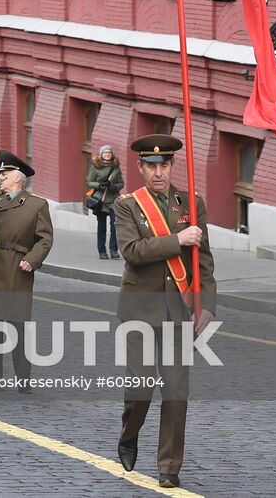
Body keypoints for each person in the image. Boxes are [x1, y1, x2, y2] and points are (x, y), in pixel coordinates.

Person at [114, 135, 217, 490]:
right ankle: (129, 434)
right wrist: (179, 240)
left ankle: (169, 466)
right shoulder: (127, 205)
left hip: (177, 312)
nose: (158, 172)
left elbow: (203, 263)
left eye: (164, 165)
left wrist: (207, 307)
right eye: (151, 166)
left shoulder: (191, 204)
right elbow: (132, 251)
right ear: (141, 168)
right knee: (141, 388)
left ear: (172, 166)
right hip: (139, 310)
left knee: (176, 392)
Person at [0, 150, 54, 389]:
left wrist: (32, 259)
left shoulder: (36, 205)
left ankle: (23, 379)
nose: (0, 178)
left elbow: (45, 239)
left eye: (4, 174)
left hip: (17, 269)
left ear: (18, 177)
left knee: (18, 326)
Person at [87, 145, 124, 260]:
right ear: (101, 154)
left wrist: (113, 186)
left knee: (114, 225)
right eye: (105, 152)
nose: (107, 154)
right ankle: (102, 251)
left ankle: (114, 250)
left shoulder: (116, 167)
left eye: (109, 152)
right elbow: (90, 182)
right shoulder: (96, 166)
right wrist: (99, 185)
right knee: (101, 227)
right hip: (101, 201)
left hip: (113, 200)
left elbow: (121, 183)